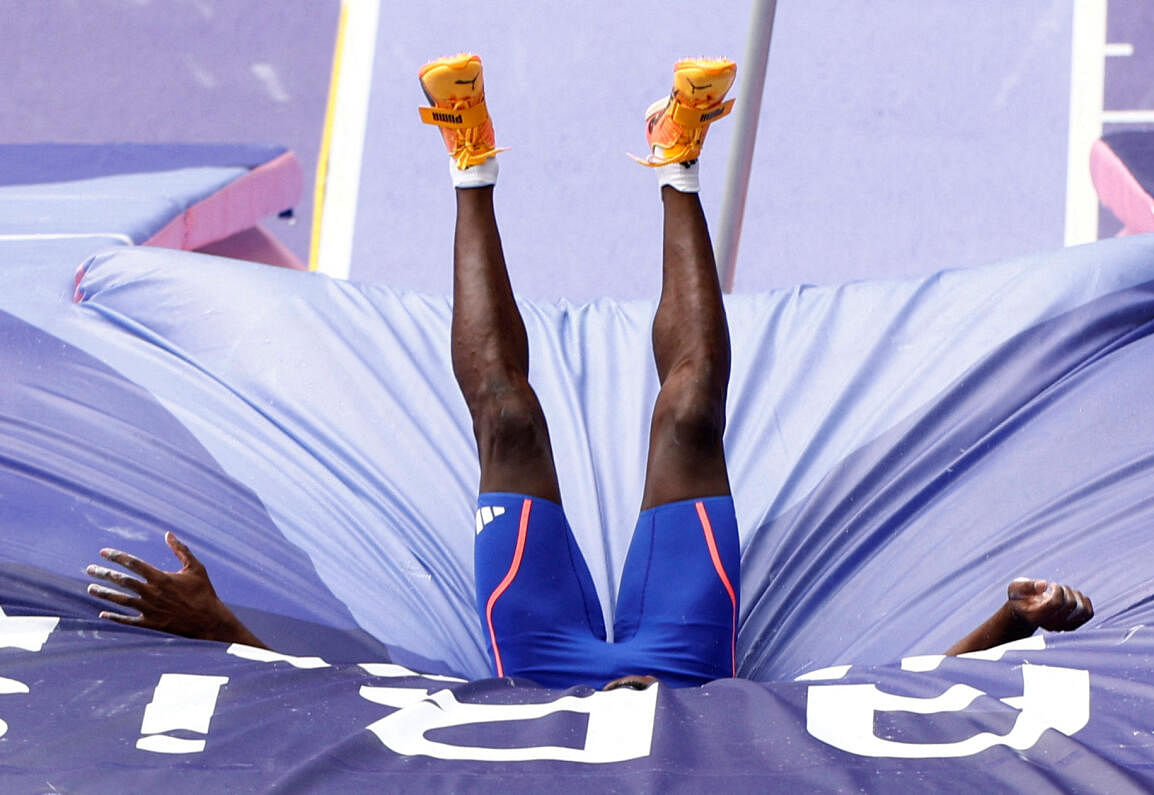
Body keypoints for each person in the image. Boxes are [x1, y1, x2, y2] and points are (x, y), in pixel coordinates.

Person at [85, 55, 1093, 688]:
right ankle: (676, 160)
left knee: (508, 425)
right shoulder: (743, 767)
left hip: (541, 660)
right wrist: (1016, 618)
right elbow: (888, 721)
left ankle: (467, 153)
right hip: (690, 663)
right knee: (692, 414)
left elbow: (351, 713)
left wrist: (218, 629)